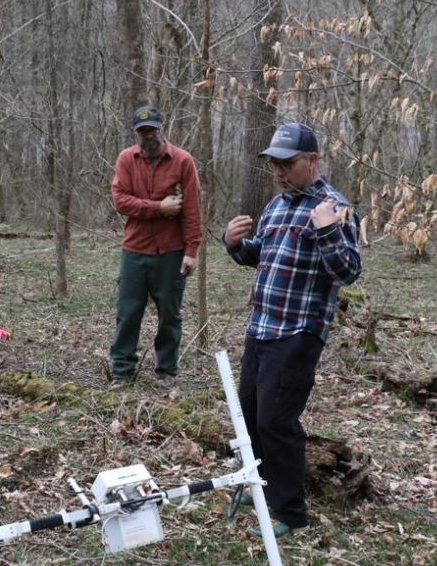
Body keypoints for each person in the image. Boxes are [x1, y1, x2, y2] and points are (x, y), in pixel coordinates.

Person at [223, 122, 362, 537]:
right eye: (275, 165)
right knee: (250, 416)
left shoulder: (334, 207)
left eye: (288, 164)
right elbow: (260, 256)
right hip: (261, 326)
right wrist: (233, 244)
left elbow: (349, 271)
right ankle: (261, 486)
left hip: (299, 332)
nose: (280, 172)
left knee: (277, 422)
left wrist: (328, 232)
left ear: (312, 161)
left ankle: (290, 512)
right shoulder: (278, 205)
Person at [108, 104, 203, 387]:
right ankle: (123, 371)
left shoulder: (183, 161)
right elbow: (120, 200)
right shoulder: (127, 159)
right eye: (142, 132)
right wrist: (158, 207)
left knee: (170, 314)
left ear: (162, 129)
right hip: (135, 250)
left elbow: (192, 210)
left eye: (152, 131)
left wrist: (192, 251)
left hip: (171, 253)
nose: (147, 137)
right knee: (128, 312)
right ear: (136, 133)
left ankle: (167, 371)